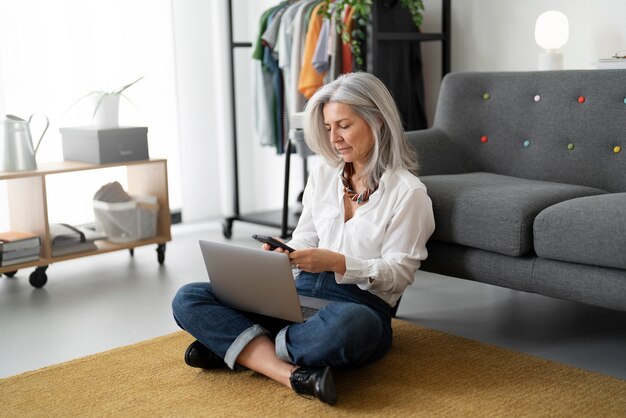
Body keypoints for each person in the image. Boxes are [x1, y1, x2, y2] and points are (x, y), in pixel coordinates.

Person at [171, 72, 435, 405]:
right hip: (295, 298)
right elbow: (304, 238)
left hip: (358, 307)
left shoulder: (409, 193)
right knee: (189, 296)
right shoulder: (324, 175)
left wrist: (338, 262)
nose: (335, 138)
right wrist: (285, 253)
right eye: (328, 128)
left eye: (344, 125)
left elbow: (398, 275)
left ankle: (241, 346)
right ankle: (289, 373)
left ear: (378, 121)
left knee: (350, 328)